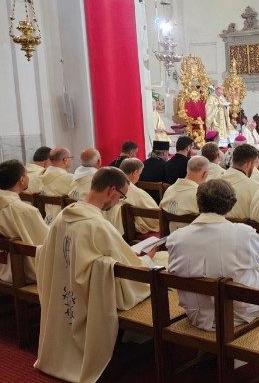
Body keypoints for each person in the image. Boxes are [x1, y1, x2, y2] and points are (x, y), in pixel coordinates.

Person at [35, 167, 154, 383]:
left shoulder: (64, 216)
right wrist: (148, 260)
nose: (118, 202)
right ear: (111, 190)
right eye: (120, 196)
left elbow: (45, 254)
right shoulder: (96, 225)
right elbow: (130, 268)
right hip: (89, 297)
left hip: (65, 289)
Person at [167, 179, 259, 330]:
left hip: (197, 313)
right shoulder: (243, 233)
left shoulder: (176, 237)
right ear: (230, 204)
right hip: (239, 313)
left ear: (199, 202)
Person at [0, 160, 48, 283]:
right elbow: (47, 241)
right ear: (22, 180)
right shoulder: (26, 211)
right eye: (26, 174)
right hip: (21, 273)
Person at [105, 158, 160, 235]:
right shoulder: (135, 191)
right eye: (139, 174)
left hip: (108, 227)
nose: (139, 177)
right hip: (128, 231)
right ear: (135, 172)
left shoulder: (110, 186)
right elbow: (156, 218)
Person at [160, 156, 209, 232]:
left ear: (187, 169)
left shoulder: (169, 189)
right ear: (205, 174)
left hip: (170, 237)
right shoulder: (202, 195)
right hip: (193, 239)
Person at [219, 144, 259, 220]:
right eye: (254, 163)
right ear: (249, 164)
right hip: (244, 230)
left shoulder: (215, 182)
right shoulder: (255, 188)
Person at [39, 147, 74, 224]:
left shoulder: (41, 175)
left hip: (48, 221)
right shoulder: (69, 179)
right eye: (71, 157)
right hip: (64, 224)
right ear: (65, 160)